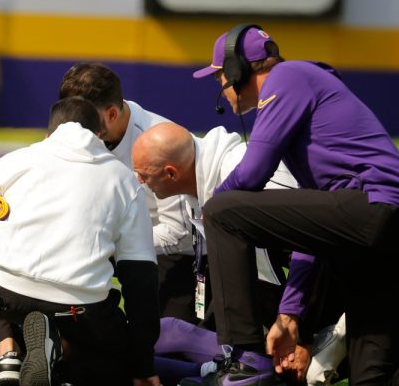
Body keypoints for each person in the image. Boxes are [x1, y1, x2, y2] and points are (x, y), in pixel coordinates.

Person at [191, 23, 399, 385]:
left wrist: (211, 207)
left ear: (237, 70)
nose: (220, 89)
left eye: (219, 77)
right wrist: (289, 314)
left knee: (222, 212)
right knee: (371, 373)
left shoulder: (286, 77)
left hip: (372, 207)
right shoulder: (301, 85)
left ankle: (245, 357)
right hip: (378, 227)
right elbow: (314, 238)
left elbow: (252, 172)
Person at [0, 96, 162, 386]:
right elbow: (141, 282)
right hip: (81, 310)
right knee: (113, 368)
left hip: (7, 297)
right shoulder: (124, 180)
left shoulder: (13, 162)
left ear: (49, 133)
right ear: (100, 135)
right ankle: (62, 350)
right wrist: (142, 366)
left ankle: (8, 352)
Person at [131, 122, 349, 385]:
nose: (139, 182)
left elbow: (316, 245)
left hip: (345, 302)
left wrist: (301, 333)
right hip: (283, 313)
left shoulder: (249, 178)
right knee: (166, 333)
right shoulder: (202, 181)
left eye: (143, 174)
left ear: (171, 173)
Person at [58, 63, 198, 324]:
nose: (73, 130)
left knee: (165, 339)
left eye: (83, 122)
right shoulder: (75, 134)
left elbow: (180, 234)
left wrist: (110, 243)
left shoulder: (160, 141)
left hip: (167, 256)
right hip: (107, 240)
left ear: (111, 114)